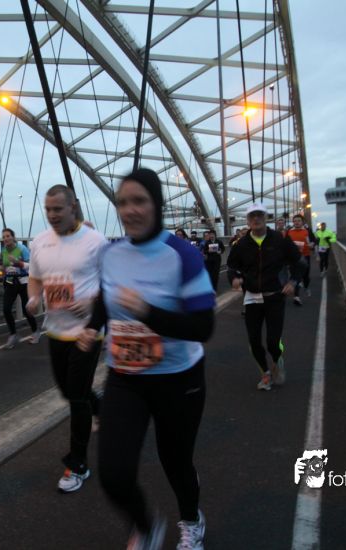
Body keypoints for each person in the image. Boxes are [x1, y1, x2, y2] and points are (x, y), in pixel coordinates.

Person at [78, 168, 215, 550]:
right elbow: (105, 299)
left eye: (139, 201)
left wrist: (147, 312)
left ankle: (191, 520)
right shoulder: (111, 253)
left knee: (176, 462)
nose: (130, 210)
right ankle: (146, 525)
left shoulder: (183, 255)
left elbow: (203, 326)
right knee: (113, 471)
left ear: (157, 204)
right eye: (123, 202)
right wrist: (92, 326)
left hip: (179, 378)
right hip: (126, 376)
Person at [26, 184, 107, 493]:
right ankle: (102, 410)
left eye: (58, 209)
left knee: (76, 397)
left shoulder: (95, 241)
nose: (52, 214)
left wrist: (90, 304)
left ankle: (78, 464)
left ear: (73, 207)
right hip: (56, 329)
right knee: (69, 390)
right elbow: (35, 278)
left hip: (87, 332)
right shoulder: (40, 242)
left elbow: (112, 283)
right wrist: (34, 298)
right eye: (48, 209)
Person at [226, 202, 304, 391]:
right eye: (252, 216)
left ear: (266, 218)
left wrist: (293, 282)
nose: (256, 219)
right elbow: (231, 266)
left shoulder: (280, 239)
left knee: (272, 341)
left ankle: (277, 359)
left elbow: (300, 263)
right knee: (254, 340)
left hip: (274, 297)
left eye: (259, 215)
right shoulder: (241, 244)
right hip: (252, 298)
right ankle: (265, 373)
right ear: (247, 220)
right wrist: (234, 278)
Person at [1, 227, 39, 348]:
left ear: (13, 237)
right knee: (6, 308)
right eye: (4, 237)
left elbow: (31, 265)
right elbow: (6, 266)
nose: (6, 238)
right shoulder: (4, 250)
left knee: (26, 309)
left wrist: (17, 262)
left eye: (8, 236)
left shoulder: (22, 249)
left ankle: (35, 331)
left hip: (23, 282)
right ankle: (13, 335)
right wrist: (3, 270)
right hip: (10, 281)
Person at [286, 214, 316, 305]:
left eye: (299, 221)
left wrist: (312, 244)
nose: (297, 222)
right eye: (295, 221)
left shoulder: (307, 231)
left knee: (305, 276)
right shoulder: (289, 231)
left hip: (305, 256)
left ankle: (306, 286)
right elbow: (285, 243)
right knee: (295, 276)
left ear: (302, 222)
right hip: (293, 258)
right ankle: (296, 296)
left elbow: (314, 241)